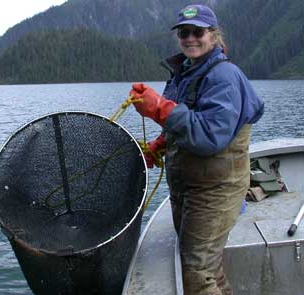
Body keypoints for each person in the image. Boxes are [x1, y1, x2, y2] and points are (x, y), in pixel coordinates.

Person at [129, 4, 264, 295]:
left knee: (196, 272)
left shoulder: (224, 76)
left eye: (198, 32)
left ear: (213, 36)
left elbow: (209, 136)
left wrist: (160, 109)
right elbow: (184, 122)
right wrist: (159, 145)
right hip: (189, 187)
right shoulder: (185, 73)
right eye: (184, 32)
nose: (190, 38)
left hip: (216, 190)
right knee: (208, 267)